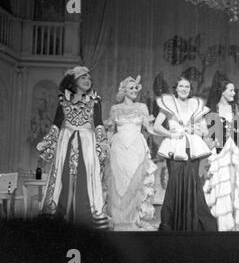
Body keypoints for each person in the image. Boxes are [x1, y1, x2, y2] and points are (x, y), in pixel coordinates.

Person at [37, 66, 109, 229]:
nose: (87, 80)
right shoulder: (63, 100)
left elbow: (98, 124)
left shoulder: (95, 100)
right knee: (63, 176)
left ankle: (85, 218)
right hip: (66, 141)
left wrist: (102, 142)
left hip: (87, 142)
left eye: (89, 78)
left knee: (85, 176)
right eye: (83, 77)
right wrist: (48, 141)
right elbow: (56, 124)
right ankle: (62, 217)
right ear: (74, 81)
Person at [153, 76, 217, 231]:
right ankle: (170, 223)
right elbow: (156, 126)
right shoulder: (169, 104)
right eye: (181, 86)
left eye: (187, 87)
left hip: (192, 148)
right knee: (174, 184)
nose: (184, 89)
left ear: (190, 89)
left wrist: (198, 130)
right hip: (175, 147)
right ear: (176, 88)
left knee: (192, 184)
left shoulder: (195, 105)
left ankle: (192, 222)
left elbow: (204, 130)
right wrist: (170, 134)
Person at [105, 75, 158, 231]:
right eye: (131, 88)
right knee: (118, 182)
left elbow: (150, 129)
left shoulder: (142, 107)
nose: (135, 90)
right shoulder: (115, 108)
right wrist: (106, 147)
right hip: (118, 147)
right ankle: (117, 220)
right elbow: (110, 129)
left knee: (135, 181)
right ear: (124, 90)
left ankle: (134, 220)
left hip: (136, 147)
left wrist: (170, 133)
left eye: (136, 88)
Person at [203, 80, 239, 231]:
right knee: (222, 184)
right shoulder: (213, 110)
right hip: (221, 151)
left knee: (236, 183)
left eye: (234, 90)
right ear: (222, 91)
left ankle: (237, 220)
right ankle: (222, 222)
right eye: (231, 90)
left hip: (235, 149)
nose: (234, 93)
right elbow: (207, 134)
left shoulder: (236, 109)